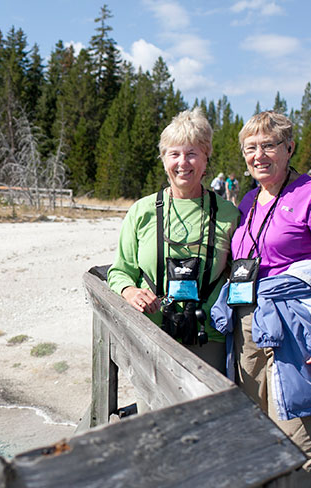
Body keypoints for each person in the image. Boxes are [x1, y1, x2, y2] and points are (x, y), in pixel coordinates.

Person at [210, 111, 311, 487]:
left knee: (302, 446)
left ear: (289, 148)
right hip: (250, 333)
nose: (259, 155)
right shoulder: (249, 200)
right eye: (251, 148)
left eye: (269, 145)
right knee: (261, 440)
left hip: (299, 339)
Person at [108, 108, 240, 396]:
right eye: (174, 154)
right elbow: (119, 270)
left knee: (205, 422)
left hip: (209, 339)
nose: (183, 163)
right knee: (157, 427)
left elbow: (243, 270)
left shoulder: (229, 214)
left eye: (192, 153)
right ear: (163, 159)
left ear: (206, 158)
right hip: (151, 335)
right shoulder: (141, 211)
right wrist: (129, 291)